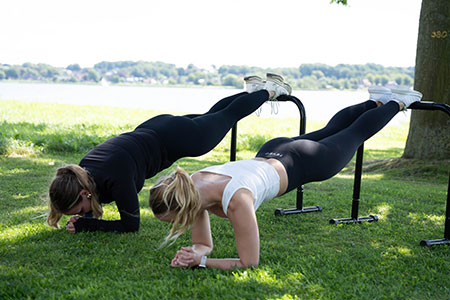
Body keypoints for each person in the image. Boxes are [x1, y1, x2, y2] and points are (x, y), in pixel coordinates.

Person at [149, 82, 423, 270]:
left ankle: (399, 101)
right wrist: (198, 252)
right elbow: (202, 243)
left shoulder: (236, 201)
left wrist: (204, 263)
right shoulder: (191, 185)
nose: (173, 225)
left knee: (353, 134)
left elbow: (249, 263)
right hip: (275, 149)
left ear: (183, 208)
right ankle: (375, 100)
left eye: (172, 220)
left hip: (306, 162)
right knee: (332, 130)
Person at [47, 73, 292, 233]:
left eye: (79, 209)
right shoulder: (81, 170)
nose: (83, 213)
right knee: (212, 117)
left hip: (175, 139)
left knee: (226, 117)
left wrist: (89, 225)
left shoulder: (116, 177)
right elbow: (94, 201)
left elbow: (131, 225)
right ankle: (255, 90)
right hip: (158, 127)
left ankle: (270, 90)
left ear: (83, 191)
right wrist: (87, 217)